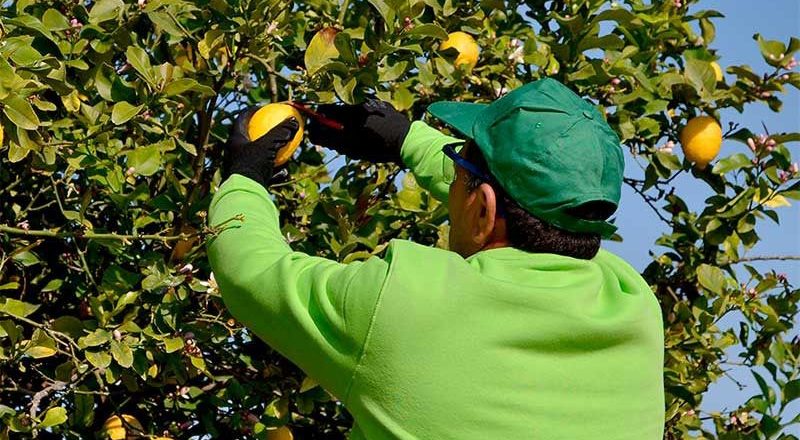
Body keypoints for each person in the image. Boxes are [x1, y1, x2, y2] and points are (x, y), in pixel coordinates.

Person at [207, 78, 664, 439]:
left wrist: (244, 175)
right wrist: (408, 141)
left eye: (459, 166)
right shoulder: (635, 308)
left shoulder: (403, 303)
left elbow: (252, 272)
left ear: (483, 209)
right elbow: (537, 211)